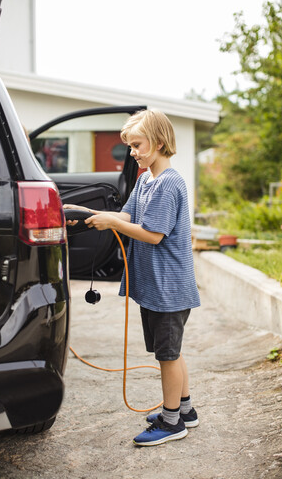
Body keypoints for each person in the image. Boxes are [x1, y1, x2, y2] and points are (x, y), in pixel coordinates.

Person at [64, 109, 200, 446]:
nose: (133, 152)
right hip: (155, 287)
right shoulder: (145, 180)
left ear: (158, 141)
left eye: (137, 145)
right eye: (130, 146)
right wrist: (93, 215)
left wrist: (113, 224)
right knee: (171, 350)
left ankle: (172, 423)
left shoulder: (169, 184)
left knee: (167, 355)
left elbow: (153, 234)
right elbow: (128, 215)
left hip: (169, 287)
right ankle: (185, 411)